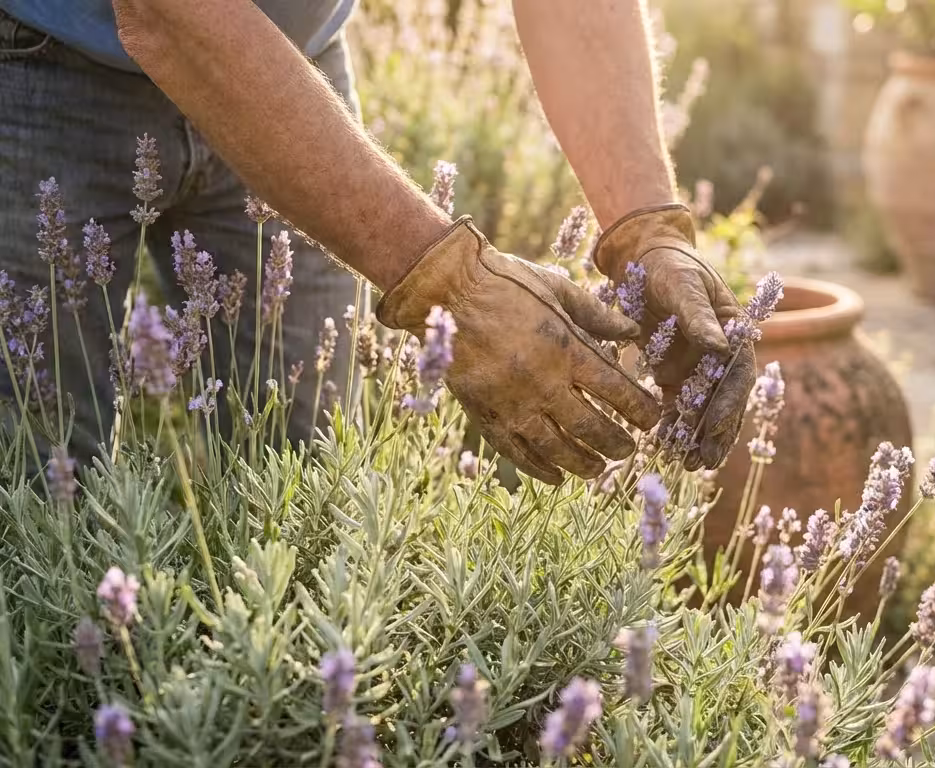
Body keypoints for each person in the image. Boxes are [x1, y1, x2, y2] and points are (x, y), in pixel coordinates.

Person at [0, 0, 755, 483]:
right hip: (41, 61)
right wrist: (445, 281)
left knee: (308, 481)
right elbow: (172, 11)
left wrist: (646, 228)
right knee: (41, 484)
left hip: (295, 63)